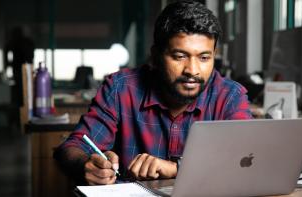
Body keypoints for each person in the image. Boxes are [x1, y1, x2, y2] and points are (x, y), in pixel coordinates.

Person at [54, 0, 252, 185]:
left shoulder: (229, 96)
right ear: (156, 56)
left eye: (204, 57)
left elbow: (246, 160)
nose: (192, 70)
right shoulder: (120, 88)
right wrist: (86, 164)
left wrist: (177, 168)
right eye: (180, 56)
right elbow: (71, 148)